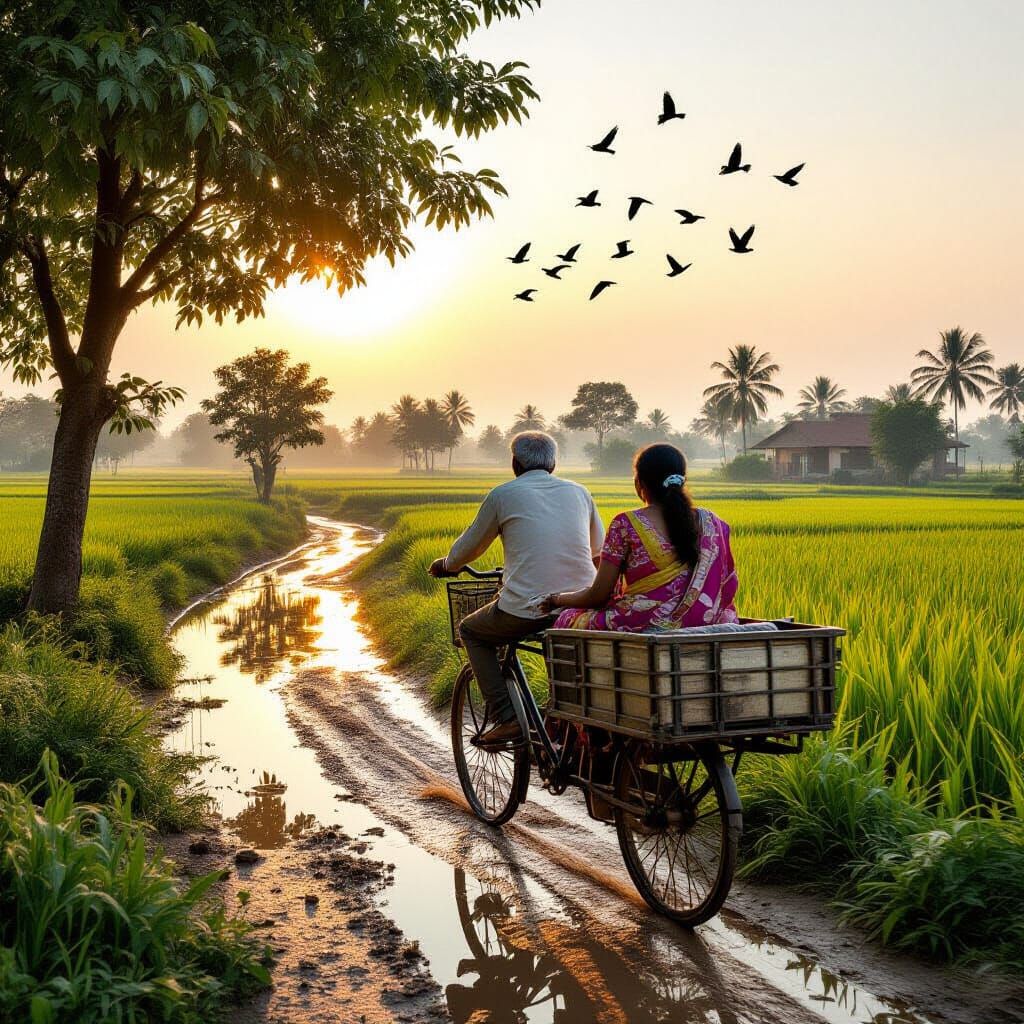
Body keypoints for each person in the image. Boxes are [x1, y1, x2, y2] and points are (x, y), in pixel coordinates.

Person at [429, 431, 604, 745]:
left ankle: (506, 717)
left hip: (531, 606)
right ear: (553, 463)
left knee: (471, 630)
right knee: (562, 650)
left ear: (515, 463)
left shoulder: (503, 495)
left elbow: (469, 548)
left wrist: (447, 564)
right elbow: (597, 552)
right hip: (580, 603)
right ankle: (565, 720)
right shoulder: (580, 493)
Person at [541, 444, 738, 631]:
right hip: (704, 623)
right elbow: (727, 586)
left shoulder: (625, 524)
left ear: (639, 483)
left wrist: (557, 599)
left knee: (568, 618)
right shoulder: (712, 523)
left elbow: (598, 596)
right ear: (681, 481)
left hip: (644, 623)